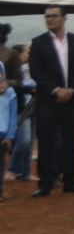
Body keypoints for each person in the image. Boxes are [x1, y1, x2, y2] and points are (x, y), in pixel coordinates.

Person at [30, 5, 74, 197]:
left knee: (70, 143)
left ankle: (71, 182)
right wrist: (56, 90)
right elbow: (36, 71)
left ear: (64, 18)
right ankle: (45, 183)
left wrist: (71, 90)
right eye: (47, 16)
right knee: (46, 143)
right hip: (47, 101)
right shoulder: (38, 43)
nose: (49, 19)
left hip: (71, 101)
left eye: (54, 16)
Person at [7, 44, 37, 182]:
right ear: (19, 55)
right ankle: (13, 169)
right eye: (27, 52)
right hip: (20, 107)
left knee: (30, 141)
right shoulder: (13, 70)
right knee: (24, 140)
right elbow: (19, 85)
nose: (29, 55)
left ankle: (25, 173)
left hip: (34, 106)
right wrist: (33, 87)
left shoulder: (31, 67)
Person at [0, 58, 17, 201]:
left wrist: (10, 135)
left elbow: (13, 116)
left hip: (3, 135)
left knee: (1, 164)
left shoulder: (10, 92)